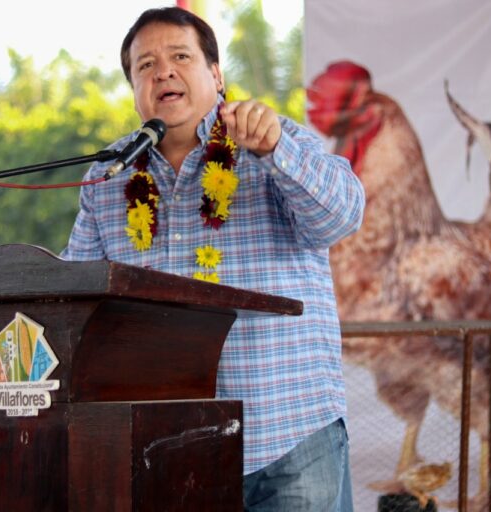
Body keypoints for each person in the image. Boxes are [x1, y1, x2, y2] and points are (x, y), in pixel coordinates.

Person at [62, 7, 365, 511]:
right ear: (134, 88)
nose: (163, 72)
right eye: (145, 66)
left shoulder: (272, 140)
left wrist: (275, 152)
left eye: (180, 56)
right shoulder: (110, 174)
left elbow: (342, 217)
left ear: (216, 75)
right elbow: (77, 294)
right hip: (174, 448)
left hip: (288, 442)